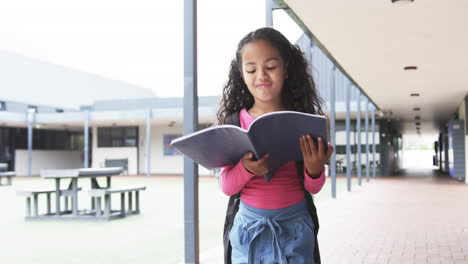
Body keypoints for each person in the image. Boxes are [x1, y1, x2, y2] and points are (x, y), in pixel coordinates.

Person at [216, 27, 334, 264]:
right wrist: (247, 169)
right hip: (248, 229)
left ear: (287, 69)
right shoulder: (234, 123)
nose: (261, 75)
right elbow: (227, 186)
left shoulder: (304, 120)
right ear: (241, 74)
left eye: (271, 67)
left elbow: (313, 187)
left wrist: (314, 168)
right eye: (251, 69)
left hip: (295, 227)